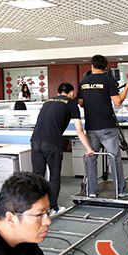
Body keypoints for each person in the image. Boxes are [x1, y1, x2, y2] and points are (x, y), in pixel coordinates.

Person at [30, 83, 94, 214]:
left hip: (35, 141)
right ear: (71, 93)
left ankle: (36, 208)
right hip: (52, 142)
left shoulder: (47, 102)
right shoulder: (71, 103)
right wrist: (89, 148)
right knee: (54, 175)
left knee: (38, 176)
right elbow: (79, 130)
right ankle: (53, 208)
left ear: (58, 92)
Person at [77, 55, 128, 198]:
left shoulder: (83, 82)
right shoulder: (108, 80)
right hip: (107, 126)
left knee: (91, 158)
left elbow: (81, 103)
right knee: (114, 158)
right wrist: (126, 88)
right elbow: (117, 102)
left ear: (92, 65)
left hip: (91, 126)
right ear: (105, 67)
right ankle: (120, 190)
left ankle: (91, 191)